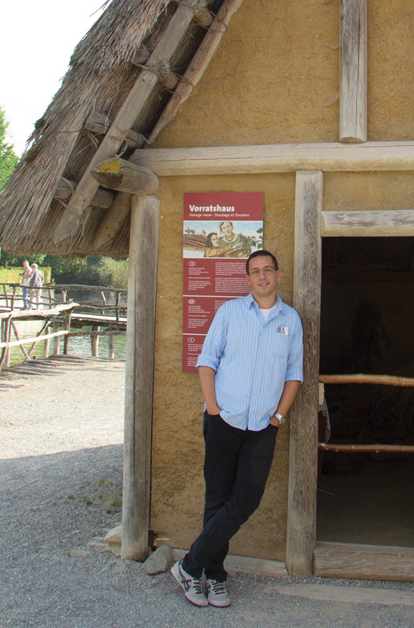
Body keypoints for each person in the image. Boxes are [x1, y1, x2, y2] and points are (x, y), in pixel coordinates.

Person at [172, 249, 303, 608]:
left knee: (246, 498)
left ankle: (188, 565)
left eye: (267, 270)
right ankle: (212, 577)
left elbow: (294, 373)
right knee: (216, 498)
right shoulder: (230, 313)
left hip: (263, 425)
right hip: (223, 421)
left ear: (278, 274)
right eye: (254, 272)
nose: (261, 277)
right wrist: (213, 409)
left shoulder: (291, 320)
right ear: (247, 279)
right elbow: (207, 361)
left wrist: (278, 417)